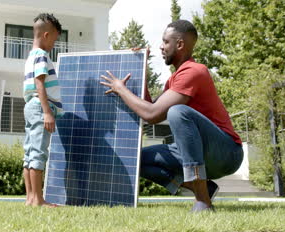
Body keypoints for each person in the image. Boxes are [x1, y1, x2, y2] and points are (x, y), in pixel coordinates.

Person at [100, 20, 243, 212]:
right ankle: (202, 187)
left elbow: (152, 115)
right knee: (138, 160)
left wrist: (120, 89)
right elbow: (151, 108)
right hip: (196, 152)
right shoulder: (174, 79)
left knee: (178, 112)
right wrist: (142, 68)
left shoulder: (195, 71)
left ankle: (203, 202)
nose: (161, 46)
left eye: (165, 42)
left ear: (180, 44)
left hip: (226, 153)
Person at [22, 13, 63, 207]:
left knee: (29, 153)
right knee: (38, 152)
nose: (54, 44)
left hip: (30, 106)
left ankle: (30, 198)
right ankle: (38, 199)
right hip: (39, 106)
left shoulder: (31, 56)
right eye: (54, 39)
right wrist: (47, 112)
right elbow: (40, 82)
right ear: (46, 35)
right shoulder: (42, 56)